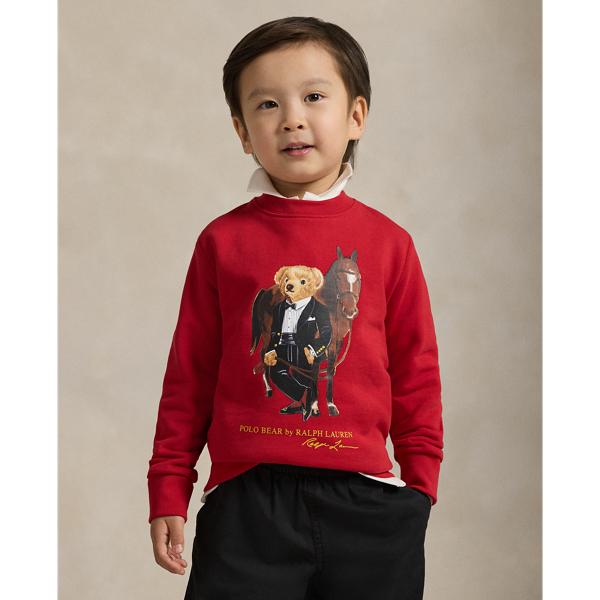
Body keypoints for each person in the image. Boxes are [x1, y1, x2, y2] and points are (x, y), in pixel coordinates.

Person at [148, 16, 443, 600]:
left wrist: (421, 487)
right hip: (247, 505)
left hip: (368, 503)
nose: (291, 118)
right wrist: (168, 487)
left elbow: (417, 370)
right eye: (267, 104)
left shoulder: (390, 244)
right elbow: (190, 373)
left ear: (356, 115)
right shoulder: (221, 243)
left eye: (313, 97)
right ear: (242, 131)